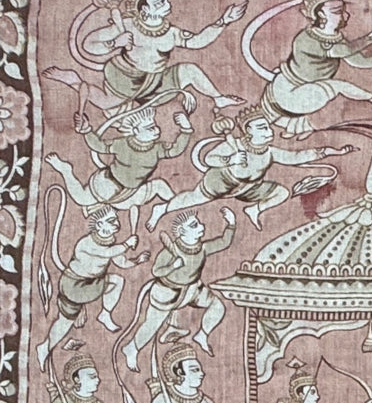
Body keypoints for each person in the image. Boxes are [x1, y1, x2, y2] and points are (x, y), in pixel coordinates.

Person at [147, 106, 352, 229]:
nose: (269, 131)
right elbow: (209, 158)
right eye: (262, 128)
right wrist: (231, 159)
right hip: (221, 181)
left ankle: (254, 209)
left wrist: (333, 151)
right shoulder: (234, 145)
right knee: (193, 199)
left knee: (281, 193)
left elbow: (297, 157)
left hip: (249, 188)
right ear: (248, 132)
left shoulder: (270, 152)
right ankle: (162, 209)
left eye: (268, 127)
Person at [259, 0, 372, 138]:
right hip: (288, 92)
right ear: (321, 15)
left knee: (325, 92)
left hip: (304, 90)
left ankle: (300, 128)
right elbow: (343, 51)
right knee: (338, 86)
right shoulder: (306, 39)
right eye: (338, 11)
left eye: (343, 10)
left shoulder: (336, 39)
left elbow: (357, 60)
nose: (346, 15)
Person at [77, 0, 246, 109]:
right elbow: (88, 45)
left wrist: (224, 21)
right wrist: (115, 43)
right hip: (126, 79)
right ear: (145, 9)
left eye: (165, 0)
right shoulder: (128, 25)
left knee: (190, 70)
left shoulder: (170, 33)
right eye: (159, 3)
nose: (167, 4)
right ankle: (74, 82)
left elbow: (197, 42)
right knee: (105, 104)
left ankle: (218, 98)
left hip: (157, 82)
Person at [121, 207, 235, 370]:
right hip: (166, 292)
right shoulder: (170, 251)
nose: (201, 226)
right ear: (182, 231)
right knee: (151, 325)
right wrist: (173, 266)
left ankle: (202, 335)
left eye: (198, 223)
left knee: (217, 306)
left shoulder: (202, 248)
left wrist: (231, 224)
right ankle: (132, 348)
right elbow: (156, 271)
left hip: (192, 289)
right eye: (194, 225)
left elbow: (224, 242)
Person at [43, 107, 192, 226]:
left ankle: (179, 207)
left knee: (161, 187)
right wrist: (87, 129)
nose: (156, 130)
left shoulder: (157, 148)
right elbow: (99, 146)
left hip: (133, 191)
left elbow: (175, 150)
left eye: (155, 126)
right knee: (81, 199)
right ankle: (66, 170)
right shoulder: (122, 144)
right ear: (135, 131)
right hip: (110, 183)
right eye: (150, 127)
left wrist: (186, 129)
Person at [36, 204, 142, 369]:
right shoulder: (86, 243)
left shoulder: (110, 243)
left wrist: (136, 260)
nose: (117, 224)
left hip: (91, 283)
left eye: (116, 220)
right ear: (99, 225)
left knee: (117, 281)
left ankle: (105, 314)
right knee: (66, 321)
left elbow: (120, 261)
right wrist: (127, 244)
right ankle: (45, 347)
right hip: (75, 286)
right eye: (111, 221)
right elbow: (106, 253)